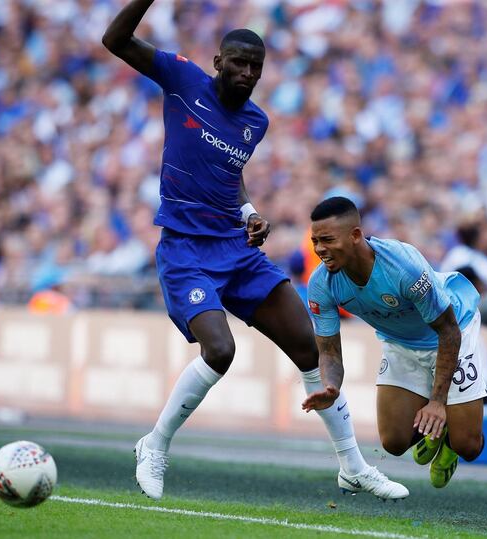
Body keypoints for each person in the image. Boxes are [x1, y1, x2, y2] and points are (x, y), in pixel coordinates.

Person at [102, 1, 406, 501]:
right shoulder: (182, 79)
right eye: (238, 63)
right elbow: (115, 41)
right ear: (218, 61)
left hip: (235, 248)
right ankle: (154, 444)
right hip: (185, 250)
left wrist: (247, 213)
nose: (247, 73)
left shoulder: (255, 122)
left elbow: (228, 174)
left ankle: (353, 467)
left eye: (256, 67)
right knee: (220, 350)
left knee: (308, 346)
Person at [302, 197, 486, 489]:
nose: (320, 249)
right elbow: (329, 351)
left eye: (327, 239)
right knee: (394, 441)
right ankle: (437, 427)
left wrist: (438, 403)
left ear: (356, 235)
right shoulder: (321, 283)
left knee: (469, 446)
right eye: (315, 241)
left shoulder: (402, 266)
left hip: (453, 330)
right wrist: (331, 386)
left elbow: (448, 331)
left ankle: (449, 437)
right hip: (400, 341)